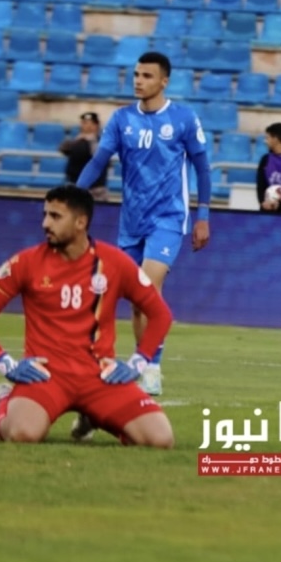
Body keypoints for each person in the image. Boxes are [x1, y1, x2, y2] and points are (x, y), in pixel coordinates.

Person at [0, 185, 175, 448]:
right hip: (46, 377)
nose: (45, 223)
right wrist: (7, 364)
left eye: (55, 216)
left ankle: (94, 414)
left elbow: (161, 314)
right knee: (23, 435)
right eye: (45, 214)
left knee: (160, 440)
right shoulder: (25, 263)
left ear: (80, 222)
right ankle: (2, 401)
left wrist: (137, 363)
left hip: (100, 377)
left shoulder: (114, 262)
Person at [75, 51, 211, 397]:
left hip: (168, 218)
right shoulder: (122, 119)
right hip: (131, 222)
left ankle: (151, 367)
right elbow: (98, 162)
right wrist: (72, 196)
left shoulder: (183, 118)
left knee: (148, 286)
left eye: (147, 76)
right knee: (136, 301)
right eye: (136, 74)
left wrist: (203, 215)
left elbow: (202, 167)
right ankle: (145, 361)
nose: (138, 80)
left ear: (164, 81)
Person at [59, 111, 107, 200]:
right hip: (74, 185)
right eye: (84, 123)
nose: (87, 126)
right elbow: (63, 149)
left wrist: (91, 140)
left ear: (96, 125)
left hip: (95, 188)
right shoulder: (77, 141)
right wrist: (76, 141)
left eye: (90, 124)